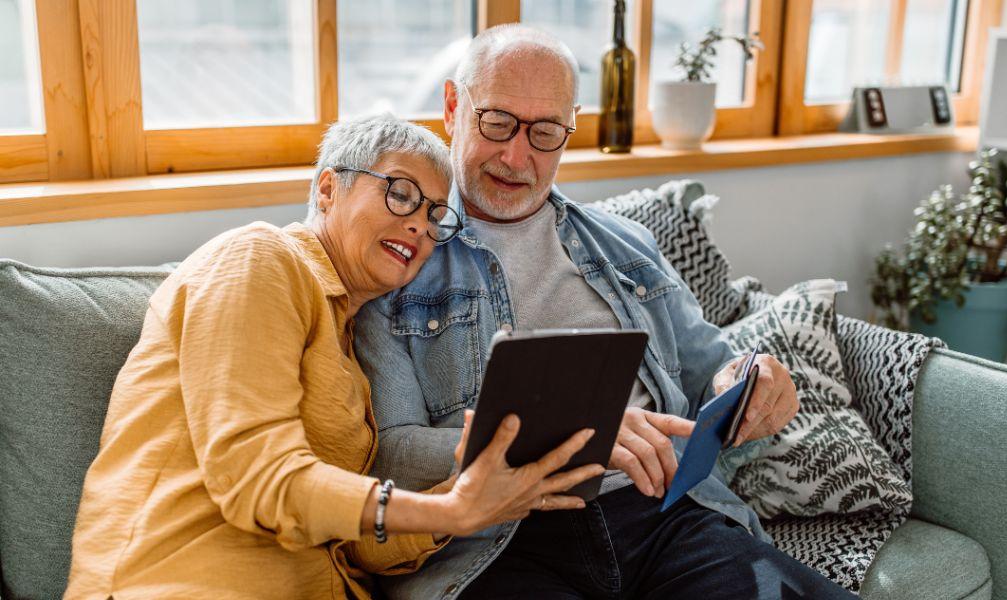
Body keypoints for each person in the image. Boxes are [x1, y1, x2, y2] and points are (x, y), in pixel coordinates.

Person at [355, 26, 857, 599]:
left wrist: (751, 377)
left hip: (663, 517)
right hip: (495, 543)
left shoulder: (628, 246)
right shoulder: (397, 258)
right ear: (452, 107)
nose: (516, 155)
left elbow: (710, 372)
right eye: (496, 123)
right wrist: (575, 435)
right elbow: (390, 454)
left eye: (545, 133)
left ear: (570, 130)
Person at [64, 114, 604, 600]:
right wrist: (449, 509)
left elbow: (355, 545)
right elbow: (257, 477)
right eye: (400, 193)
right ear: (328, 189)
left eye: (437, 214)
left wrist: (462, 499)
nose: (421, 224)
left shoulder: (351, 343)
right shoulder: (258, 258)